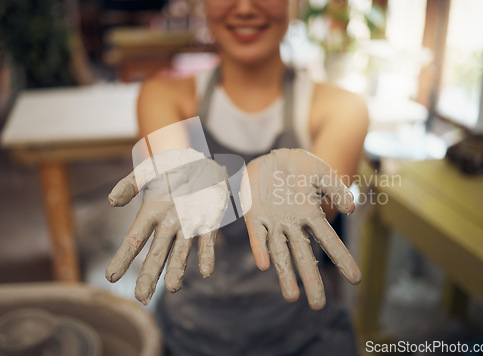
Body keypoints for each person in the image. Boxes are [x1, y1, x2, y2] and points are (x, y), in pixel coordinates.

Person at [111, 0, 369, 354]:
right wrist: (223, 181)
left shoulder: (341, 108)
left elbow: (322, 208)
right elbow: (176, 178)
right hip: (189, 333)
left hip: (304, 334)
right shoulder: (165, 95)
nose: (245, 8)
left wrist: (281, 184)